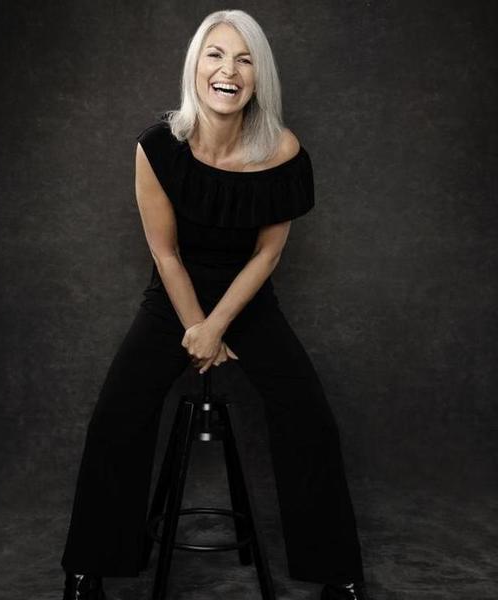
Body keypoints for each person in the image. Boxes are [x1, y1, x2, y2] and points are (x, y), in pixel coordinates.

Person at [60, 9, 370, 600]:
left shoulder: (281, 150)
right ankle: (85, 570)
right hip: (174, 296)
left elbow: (268, 254)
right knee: (116, 415)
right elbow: (166, 253)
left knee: (309, 417)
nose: (229, 70)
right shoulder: (157, 147)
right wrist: (195, 326)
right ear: (196, 67)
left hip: (247, 296)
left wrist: (219, 324)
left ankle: (340, 575)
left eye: (244, 59)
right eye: (216, 55)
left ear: (258, 76)